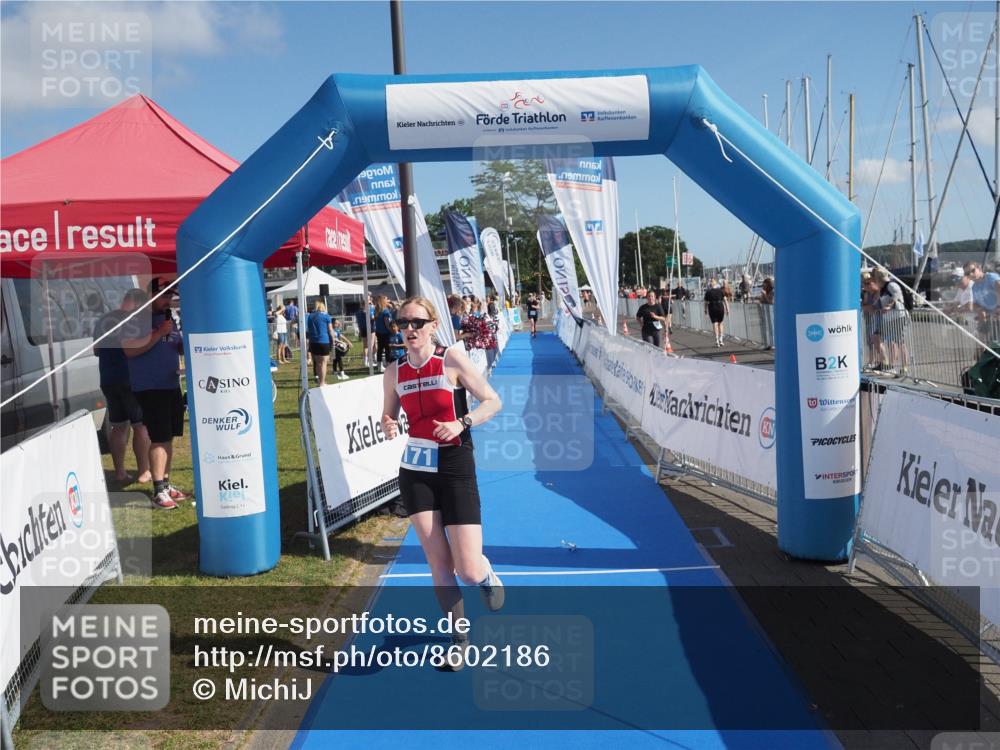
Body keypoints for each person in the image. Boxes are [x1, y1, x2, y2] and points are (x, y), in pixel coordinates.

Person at [381, 297, 504, 671]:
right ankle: (459, 640)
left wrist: (461, 422)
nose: (410, 329)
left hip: (454, 463)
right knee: (438, 561)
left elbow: (492, 401)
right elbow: (388, 413)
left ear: (434, 325)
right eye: (403, 323)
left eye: (417, 322)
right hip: (415, 468)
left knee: (465, 569)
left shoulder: (451, 359)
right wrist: (388, 423)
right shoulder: (394, 371)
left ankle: (483, 571)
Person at [121, 278, 189, 510]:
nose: (168, 300)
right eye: (164, 295)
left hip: (171, 383)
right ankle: (158, 490)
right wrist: (159, 332)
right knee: (159, 437)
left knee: (168, 437)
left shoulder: (169, 318)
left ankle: (166, 484)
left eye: (171, 296)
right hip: (149, 386)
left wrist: (183, 344)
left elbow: (175, 344)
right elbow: (129, 350)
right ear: (150, 294)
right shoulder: (135, 318)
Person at [93, 289, 152, 485]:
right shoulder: (135, 321)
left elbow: (96, 350)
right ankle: (144, 471)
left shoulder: (104, 319)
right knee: (140, 426)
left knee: (118, 426)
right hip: (131, 378)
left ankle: (119, 472)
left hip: (108, 378)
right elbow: (142, 347)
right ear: (135, 302)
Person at [965, 261, 1000, 339]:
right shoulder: (974, 287)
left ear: (980, 268)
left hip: (996, 319)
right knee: (985, 343)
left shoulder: (991, 277)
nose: (970, 274)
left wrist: (998, 308)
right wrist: (979, 311)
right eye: (967, 273)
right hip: (992, 321)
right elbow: (977, 304)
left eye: (973, 270)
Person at [306, 300, 335, 386]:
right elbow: (330, 330)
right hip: (323, 341)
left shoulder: (310, 316)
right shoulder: (326, 316)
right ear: (323, 307)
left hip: (313, 342)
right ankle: (322, 382)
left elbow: (308, 329)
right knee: (324, 363)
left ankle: (320, 381)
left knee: (318, 363)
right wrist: (333, 340)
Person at [704, 279, 729, 347]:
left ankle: (717, 339)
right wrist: (727, 309)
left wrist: (705, 310)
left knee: (715, 323)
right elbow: (725, 300)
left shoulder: (708, 292)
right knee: (720, 323)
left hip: (712, 307)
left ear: (712, 283)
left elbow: (706, 303)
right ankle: (720, 339)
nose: (711, 282)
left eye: (711, 281)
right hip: (720, 307)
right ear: (716, 283)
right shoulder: (720, 291)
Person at [374, 295, 394, 372]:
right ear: (383, 301)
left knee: (380, 349)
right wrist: (391, 330)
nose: (388, 300)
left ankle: (380, 365)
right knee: (387, 349)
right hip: (385, 332)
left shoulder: (377, 310)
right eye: (386, 299)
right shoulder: (385, 311)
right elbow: (387, 323)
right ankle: (388, 365)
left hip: (379, 332)